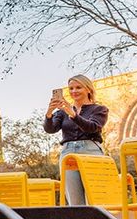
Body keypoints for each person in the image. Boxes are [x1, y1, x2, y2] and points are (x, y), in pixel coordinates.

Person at [44, 74, 109, 206]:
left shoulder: (99, 109)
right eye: (71, 88)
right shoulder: (62, 112)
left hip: (90, 151)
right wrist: (49, 113)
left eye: (78, 87)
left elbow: (93, 127)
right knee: (75, 201)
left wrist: (72, 114)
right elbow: (50, 129)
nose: (74, 91)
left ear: (88, 89)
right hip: (68, 153)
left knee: (95, 199)